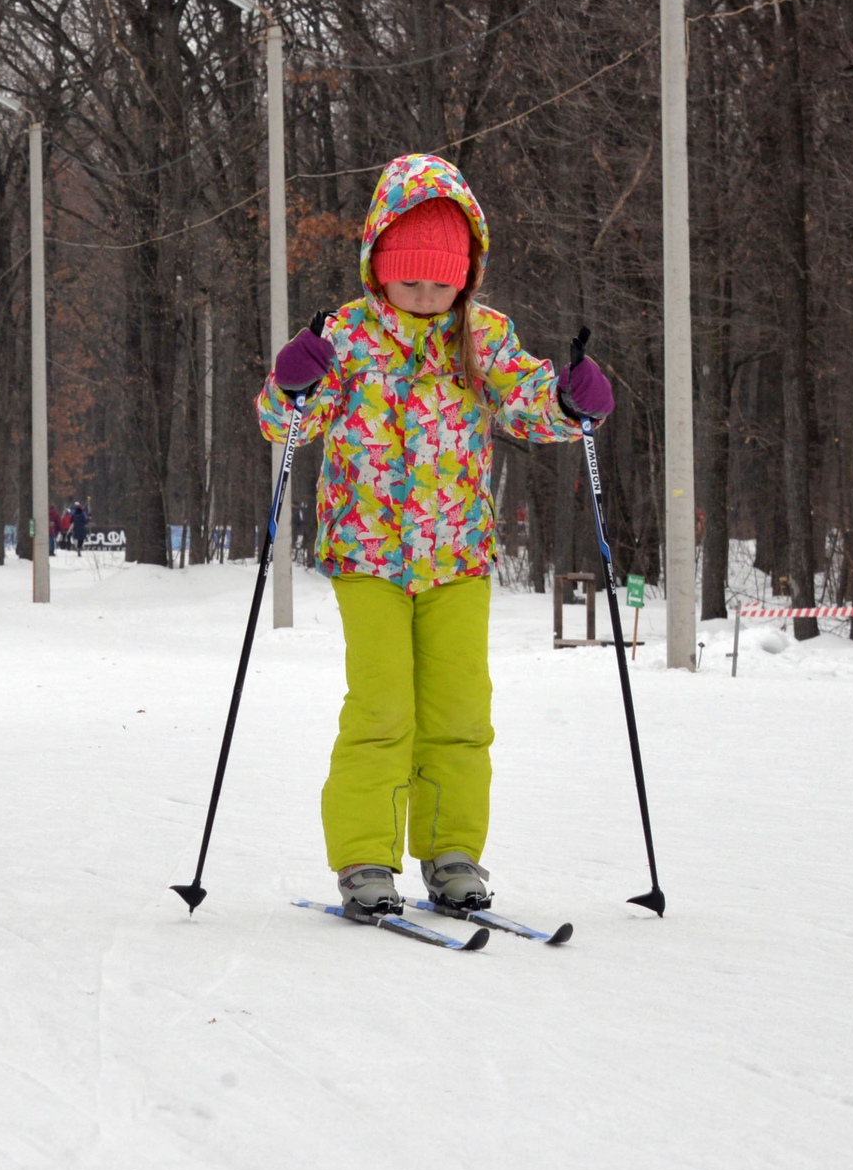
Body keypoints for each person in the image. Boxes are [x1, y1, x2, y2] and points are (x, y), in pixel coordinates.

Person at [257, 152, 615, 921]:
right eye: (409, 280)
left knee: (458, 714)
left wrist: (568, 400)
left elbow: (528, 402)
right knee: (383, 709)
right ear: (377, 267)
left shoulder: (480, 336)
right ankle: (365, 858)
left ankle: (453, 851)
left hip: (457, 557)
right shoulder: (345, 337)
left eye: (442, 281)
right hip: (369, 556)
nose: (426, 297)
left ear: (469, 274)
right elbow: (287, 423)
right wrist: (293, 383)